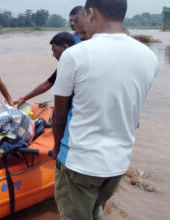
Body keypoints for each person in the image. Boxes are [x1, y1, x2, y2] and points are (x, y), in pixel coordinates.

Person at [51, 0, 158, 219]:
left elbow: (59, 117)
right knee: (95, 210)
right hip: (118, 164)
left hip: (80, 163)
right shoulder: (149, 57)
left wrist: (58, 153)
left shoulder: (75, 55)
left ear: (91, 13)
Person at [14, 32, 75, 108]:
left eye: (55, 51)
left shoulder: (70, 64)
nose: (53, 55)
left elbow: (59, 95)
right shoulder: (67, 63)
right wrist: (23, 99)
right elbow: (47, 84)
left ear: (65, 48)